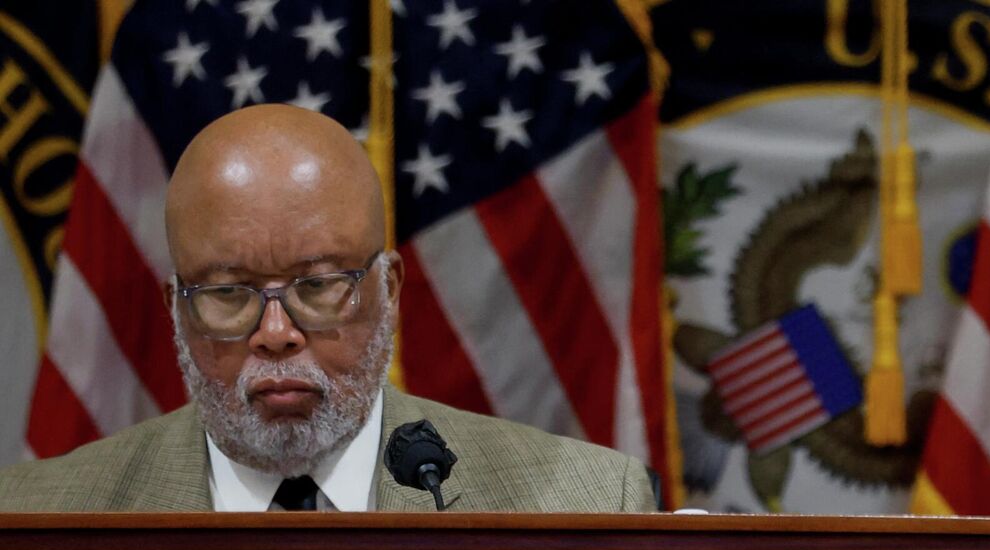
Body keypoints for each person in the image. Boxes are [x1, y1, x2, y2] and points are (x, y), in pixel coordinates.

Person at [0, 105, 655, 512]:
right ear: (177, 307)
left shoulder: (586, 506)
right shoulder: (33, 525)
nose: (277, 334)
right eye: (230, 295)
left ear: (389, 290)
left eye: (318, 287)